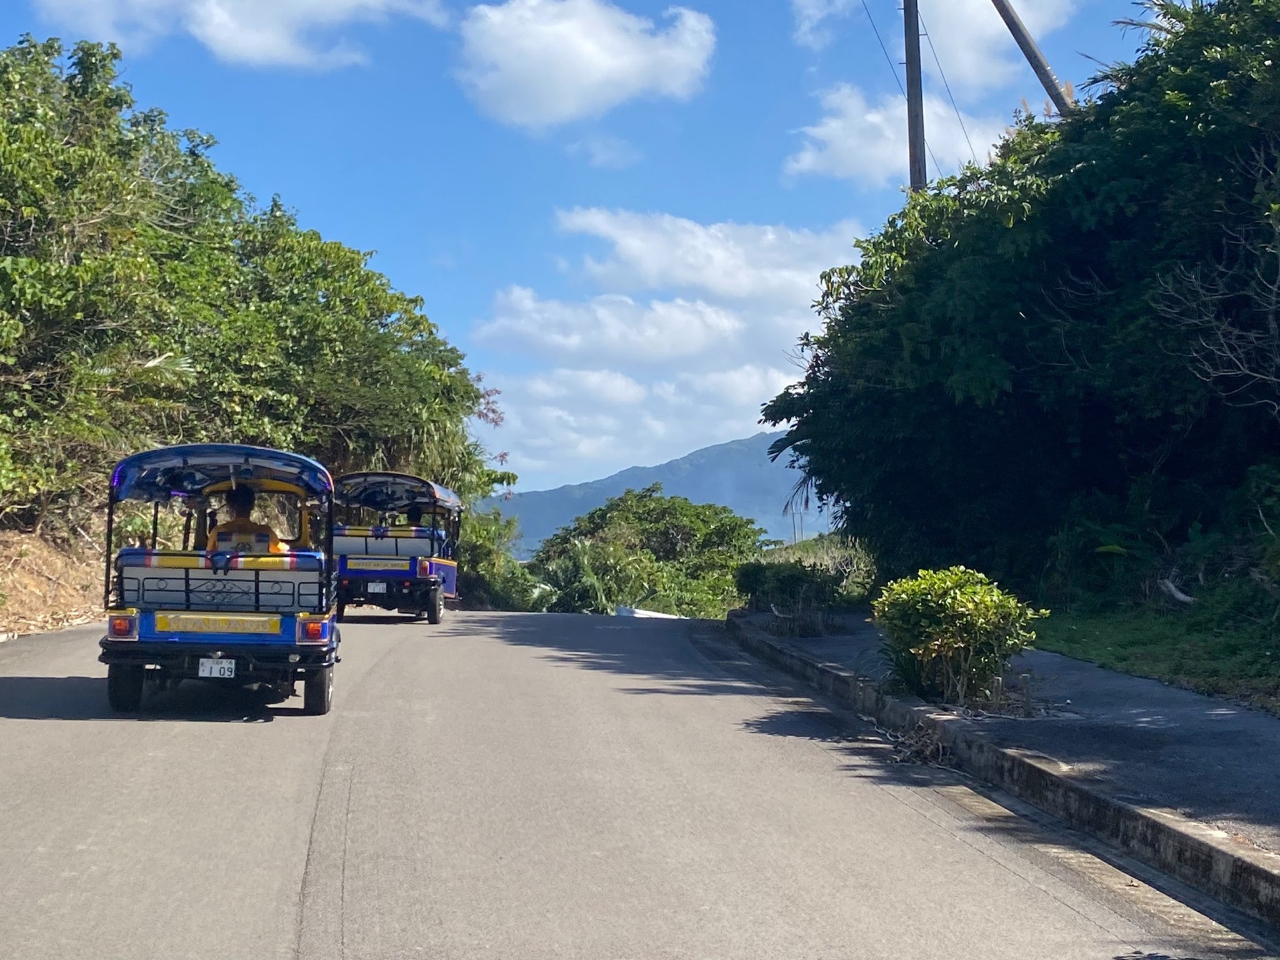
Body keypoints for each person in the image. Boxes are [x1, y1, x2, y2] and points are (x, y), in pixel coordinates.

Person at [207, 485, 286, 553]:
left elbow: (208, 556)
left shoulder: (217, 532)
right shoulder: (266, 532)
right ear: (252, 506)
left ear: (230, 506)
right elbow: (280, 552)